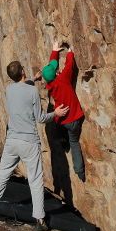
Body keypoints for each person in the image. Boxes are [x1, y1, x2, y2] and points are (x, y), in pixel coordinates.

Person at [0, 60, 69, 231]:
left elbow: (21, 89)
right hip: (29, 142)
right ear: (22, 71)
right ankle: (39, 220)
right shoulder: (32, 91)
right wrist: (56, 113)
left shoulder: (9, 89)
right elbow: (41, 118)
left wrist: (33, 79)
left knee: (2, 173)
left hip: (12, 141)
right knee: (35, 180)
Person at [36, 41, 87, 182]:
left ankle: (64, 143)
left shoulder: (50, 84)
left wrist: (54, 51)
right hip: (75, 118)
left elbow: (51, 69)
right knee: (74, 142)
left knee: (57, 124)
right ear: (57, 73)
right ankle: (79, 170)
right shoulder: (63, 79)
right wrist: (70, 52)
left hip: (64, 120)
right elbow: (69, 66)